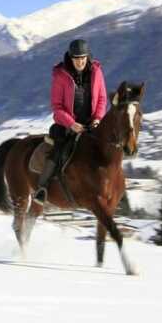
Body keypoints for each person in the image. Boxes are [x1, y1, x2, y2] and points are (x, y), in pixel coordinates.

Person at [33, 39, 108, 205]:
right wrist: (71, 124)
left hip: (91, 124)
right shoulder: (60, 75)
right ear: (70, 58)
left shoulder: (97, 71)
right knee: (59, 150)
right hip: (67, 125)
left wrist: (97, 118)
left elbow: (102, 98)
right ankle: (42, 188)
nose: (80, 61)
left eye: (82, 58)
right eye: (76, 58)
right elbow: (57, 107)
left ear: (87, 57)